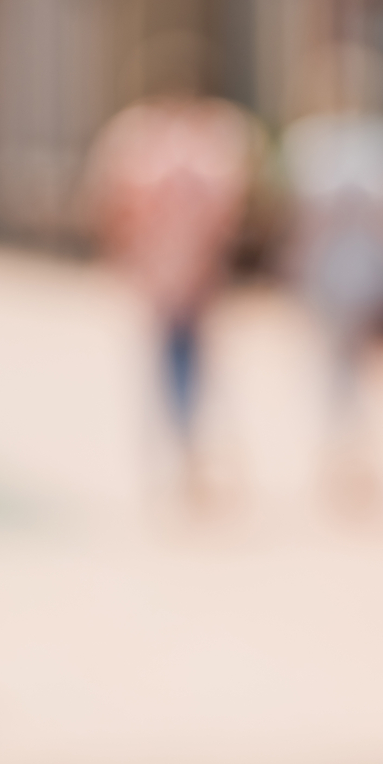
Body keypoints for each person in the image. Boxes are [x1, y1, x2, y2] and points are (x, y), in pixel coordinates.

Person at [83, 88, 257, 499]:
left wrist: (125, 253)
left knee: (170, 358)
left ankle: (181, 441)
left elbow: (113, 206)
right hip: (191, 267)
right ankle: (188, 440)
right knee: (191, 356)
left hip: (160, 267)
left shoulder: (142, 149)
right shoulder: (208, 150)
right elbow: (230, 213)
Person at [280, 47, 383, 501]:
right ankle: (352, 441)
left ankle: (346, 440)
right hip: (369, 268)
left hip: (337, 268)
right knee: (355, 359)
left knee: (338, 360)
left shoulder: (312, 143)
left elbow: (302, 219)